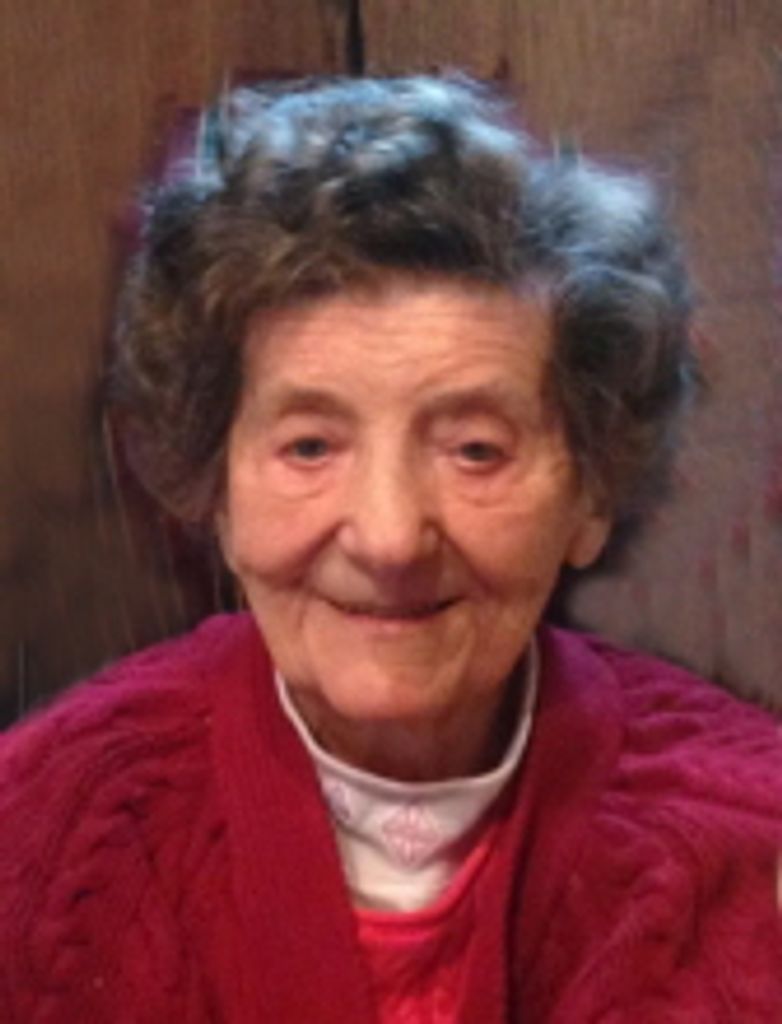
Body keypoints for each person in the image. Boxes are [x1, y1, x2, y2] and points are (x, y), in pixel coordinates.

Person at [0, 74, 780, 1023]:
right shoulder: (39, 832)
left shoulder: (756, 837)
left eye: (476, 450)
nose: (390, 537)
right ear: (217, 487)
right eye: (310, 447)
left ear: (590, 494)